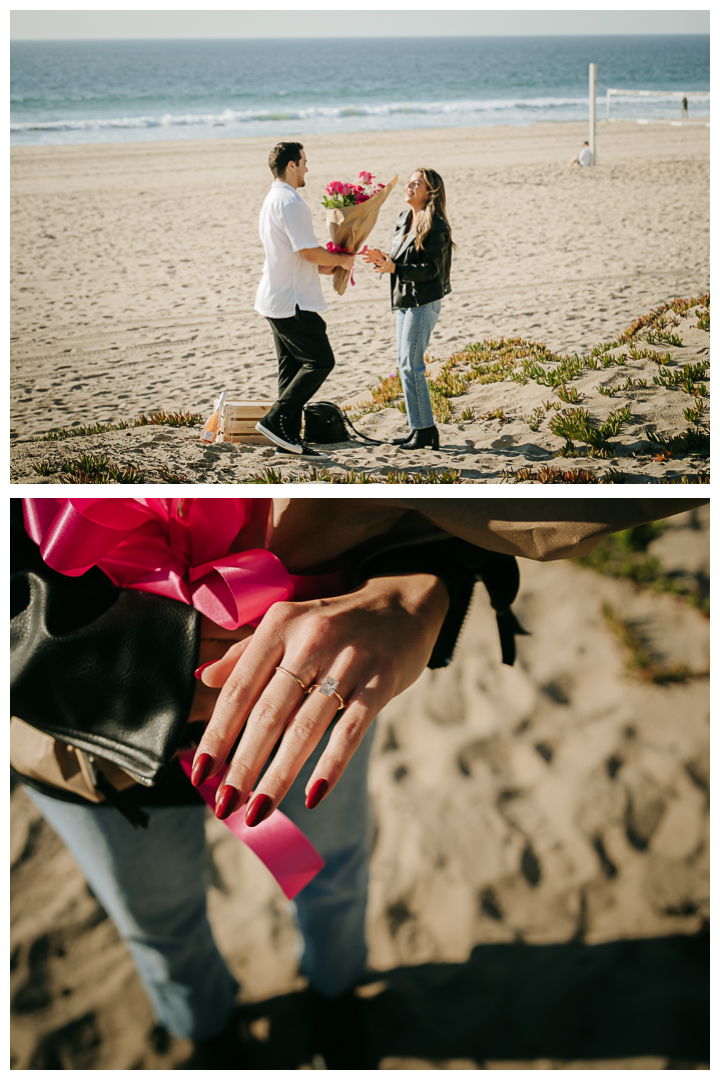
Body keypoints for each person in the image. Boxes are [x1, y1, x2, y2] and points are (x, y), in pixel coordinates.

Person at [11, 496, 707, 1067]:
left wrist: (413, 591)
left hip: (311, 683)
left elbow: (428, 503)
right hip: (77, 741)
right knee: (160, 928)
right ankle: (210, 1035)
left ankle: (336, 994)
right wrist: (142, 664)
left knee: (332, 874)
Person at [254, 142, 355, 457]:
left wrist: (327, 264)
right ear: (291, 166)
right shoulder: (290, 202)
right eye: (304, 162)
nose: (308, 168)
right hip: (292, 302)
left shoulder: (273, 199)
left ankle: (287, 437)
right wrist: (342, 261)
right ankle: (274, 421)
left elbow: (300, 254)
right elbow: (307, 251)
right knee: (320, 361)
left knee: (291, 368)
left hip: (275, 298)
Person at [362, 168, 454, 451]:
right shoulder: (404, 218)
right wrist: (384, 260)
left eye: (417, 184)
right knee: (405, 366)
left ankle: (426, 430)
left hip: (423, 302)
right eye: (410, 182)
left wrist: (396, 268)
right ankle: (419, 428)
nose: (410, 186)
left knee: (412, 366)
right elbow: (399, 261)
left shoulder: (436, 225)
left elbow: (430, 270)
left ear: (430, 192)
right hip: (404, 301)